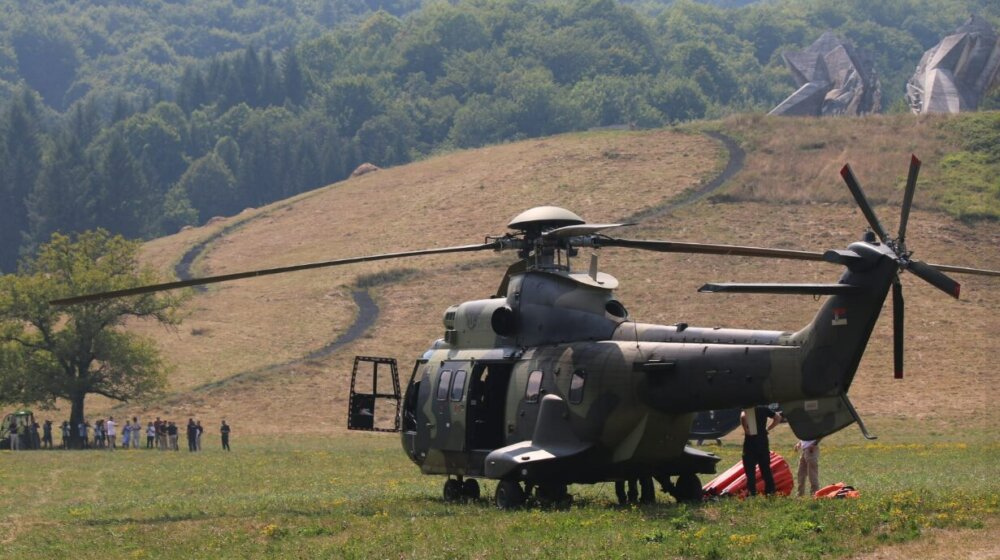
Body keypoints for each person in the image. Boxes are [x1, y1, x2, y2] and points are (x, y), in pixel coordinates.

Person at [740, 405, 782, 496]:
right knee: (766, 469)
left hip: (750, 442)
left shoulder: (748, 408)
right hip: (763, 441)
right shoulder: (763, 408)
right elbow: (778, 417)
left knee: (750, 470)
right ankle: (770, 492)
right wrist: (768, 428)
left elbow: (743, 416)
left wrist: (746, 429)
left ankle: (752, 494)